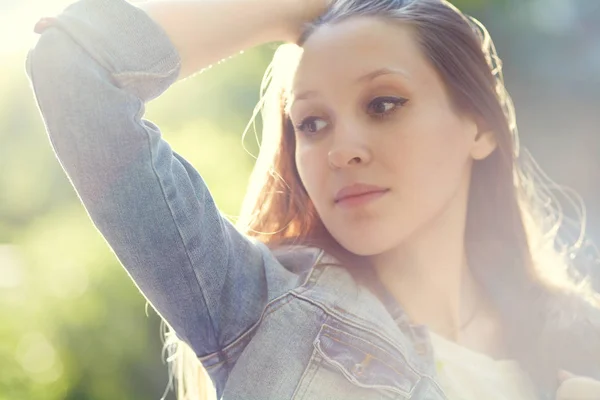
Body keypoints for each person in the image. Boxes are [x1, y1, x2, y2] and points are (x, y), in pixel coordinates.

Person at [26, 0, 600, 399]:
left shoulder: (579, 335)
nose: (340, 150)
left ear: (478, 126)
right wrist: (283, 12)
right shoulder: (260, 307)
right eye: (312, 122)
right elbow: (73, 72)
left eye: (383, 104)